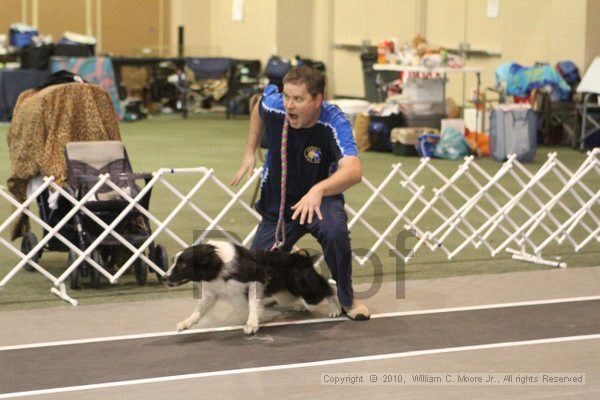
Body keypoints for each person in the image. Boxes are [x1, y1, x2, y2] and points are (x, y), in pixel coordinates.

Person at [231, 65, 370, 320]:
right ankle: (295, 261)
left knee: (335, 232)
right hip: (279, 208)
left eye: (298, 99)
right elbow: (260, 106)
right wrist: (249, 151)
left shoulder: (334, 121)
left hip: (320, 202)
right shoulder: (275, 106)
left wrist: (319, 189)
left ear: (318, 100)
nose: (289, 105)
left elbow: (354, 170)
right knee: (251, 284)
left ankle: (347, 298)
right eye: (287, 96)